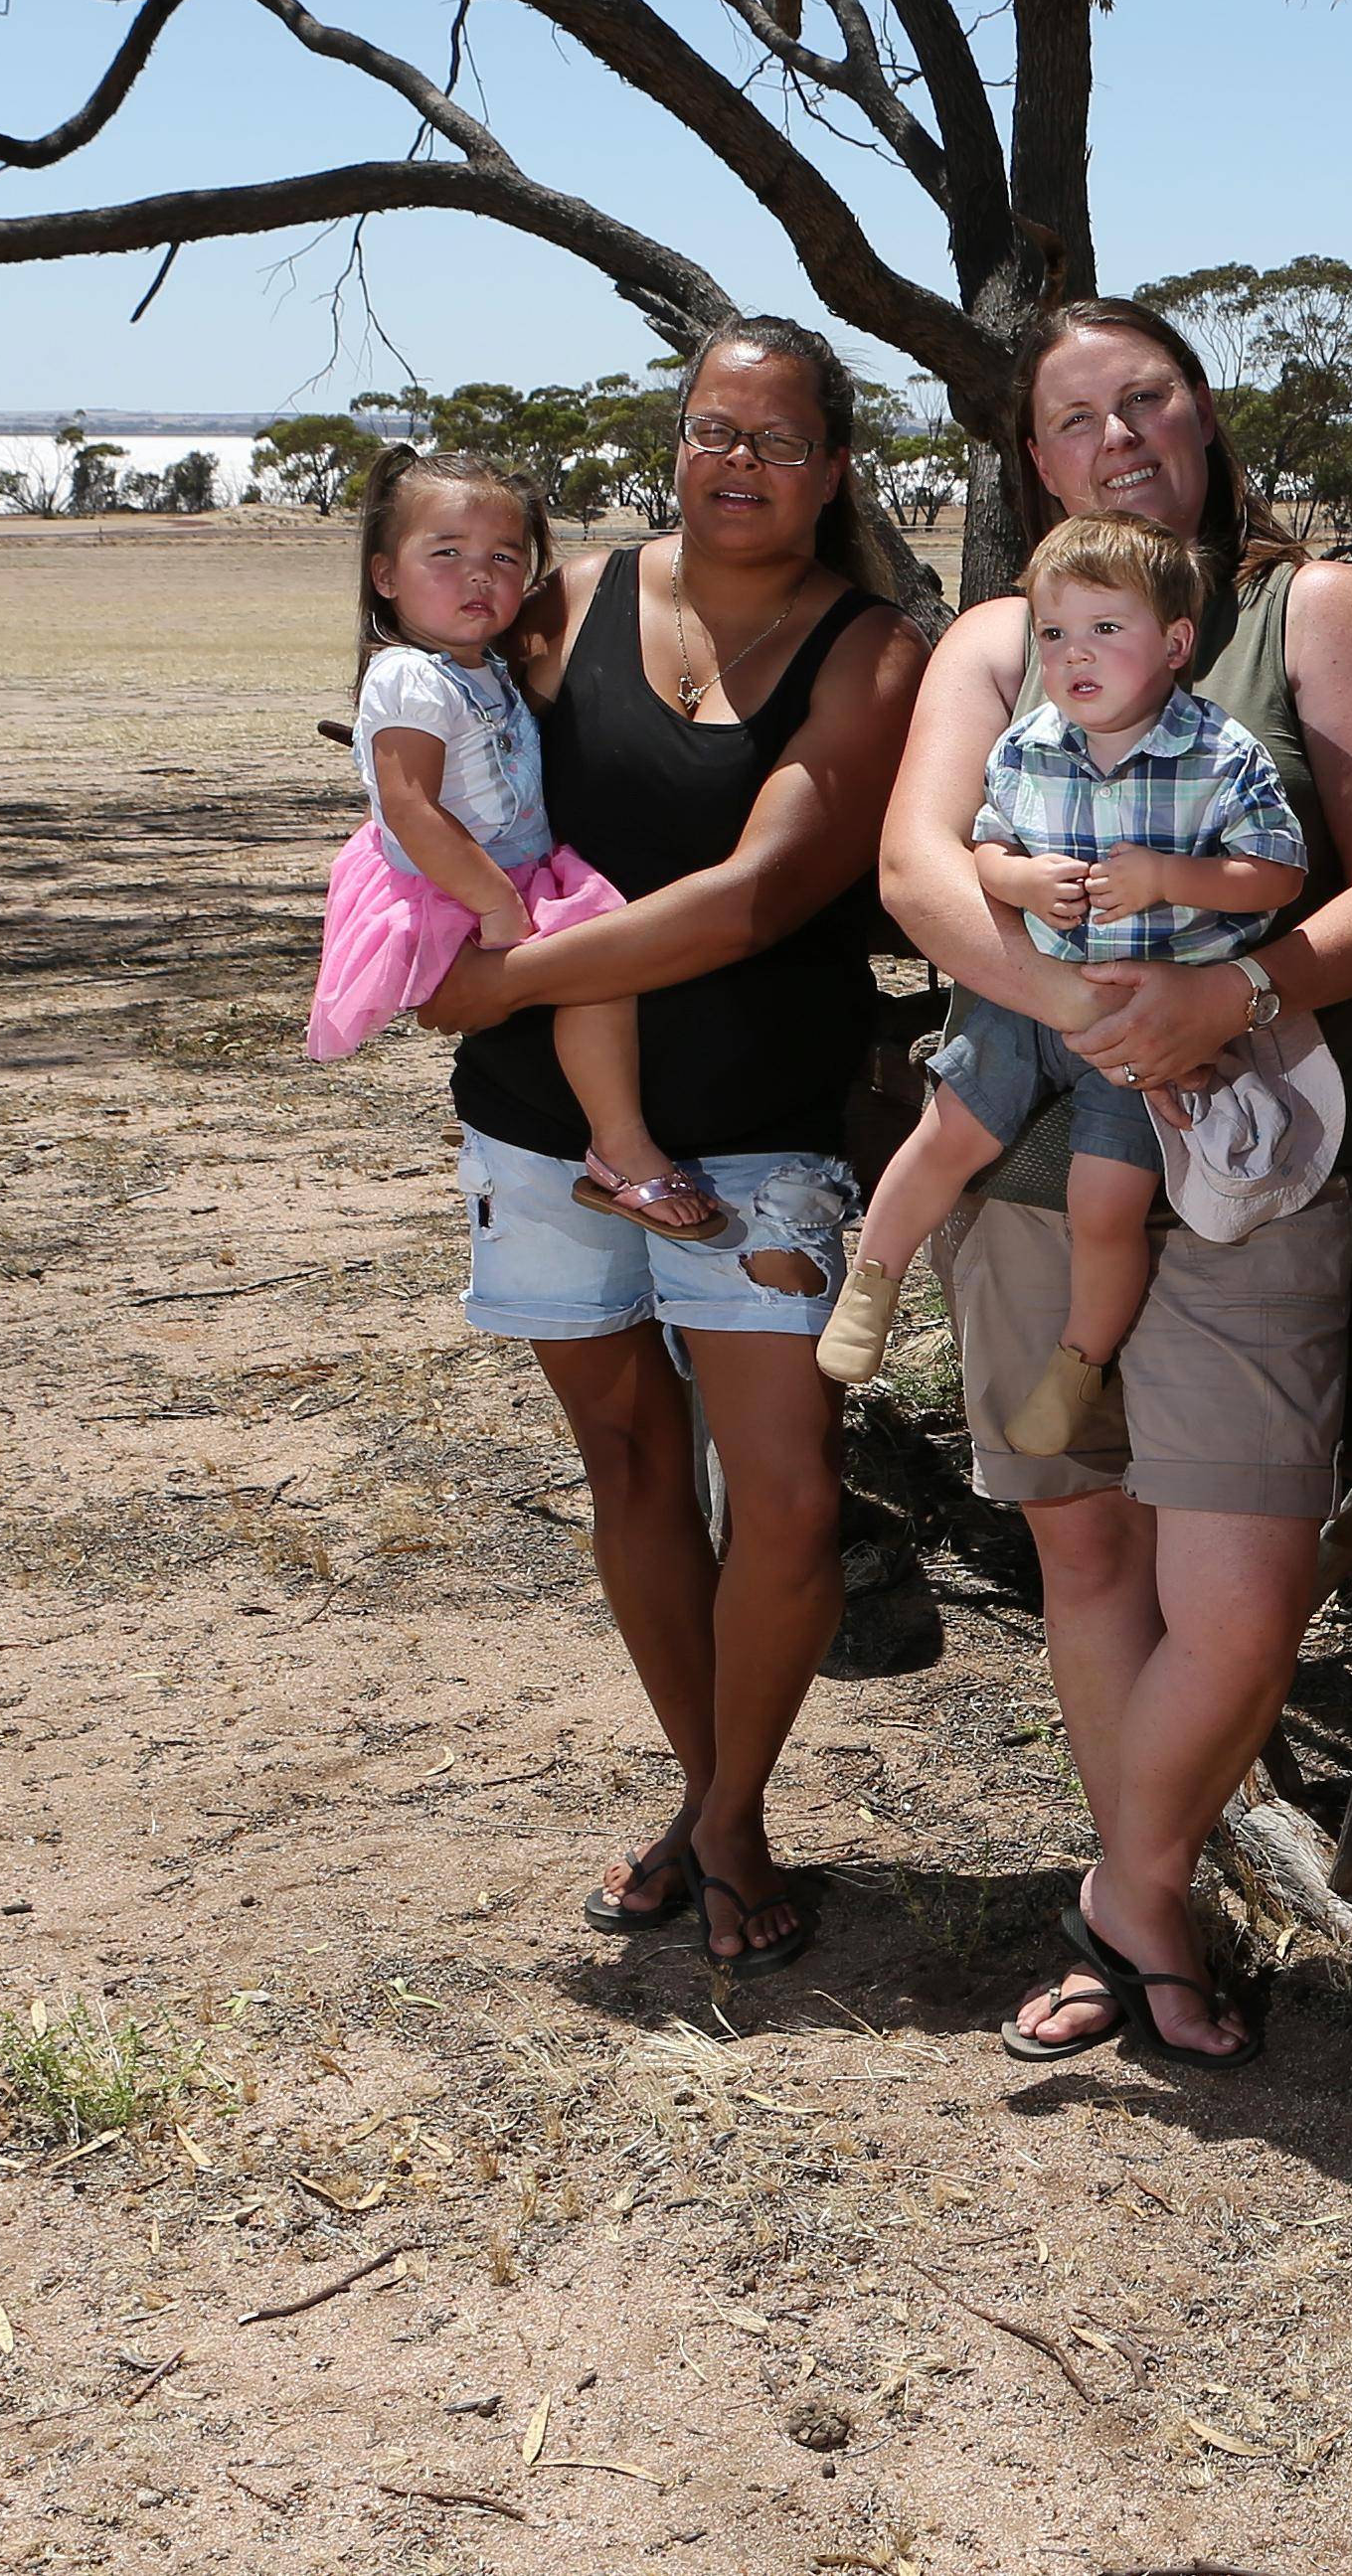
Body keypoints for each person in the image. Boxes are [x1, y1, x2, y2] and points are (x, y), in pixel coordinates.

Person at [875, 298, 1352, 2070]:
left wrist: (1236, 990)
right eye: (1072, 416)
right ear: (1029, 459)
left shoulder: (1307, 613)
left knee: (1247, 1599)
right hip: (1034, 1173)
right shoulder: (994, 640)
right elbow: (917, 870)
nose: (1116, 433)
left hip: (1247, 1176)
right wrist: (1081, 1012)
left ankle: (1117, 1896)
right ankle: (1162, 1933)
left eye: (1148, 395)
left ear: (1201, 415)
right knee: (1089, 1560)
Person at [411, 317, 926, 1974]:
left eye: (774, 443)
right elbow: (445, 769)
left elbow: (766, 895)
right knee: (628, 1459)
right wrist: (426, 932)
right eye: (711, 432)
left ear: (834, 469)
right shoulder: (572, 603)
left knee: (783, 1493)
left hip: (762, 1133)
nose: (737, 467)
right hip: (538, 1124)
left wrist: (496, 977)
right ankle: (725, 1811)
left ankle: (716, 1807)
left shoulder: (870, 652)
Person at [818, 515, 1307, 1456]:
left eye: (1105, 630)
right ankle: (871, 1284)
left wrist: (1174, 877)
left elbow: (1276, 876)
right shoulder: (1031, 742)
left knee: (1105, 1202)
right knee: (946, 1131)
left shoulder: (1222, 754)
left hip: (1148, 1019)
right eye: (1053, 634)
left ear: (1173, 643)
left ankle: (1078, 1366)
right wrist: (1016, 879)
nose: (1074, 654)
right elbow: (987, 845)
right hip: (1026, 990)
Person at [306, 451, 711, 1231]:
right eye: (446, 553)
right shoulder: (409, 678)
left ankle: (603, 1135)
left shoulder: (484, 668)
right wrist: (493, 899)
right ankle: (619, 1144)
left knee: (601, 958)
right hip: (450, 884)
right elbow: (411, 807)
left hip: (508, 869)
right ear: (386, 576)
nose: (477, 576)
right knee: (598, 968)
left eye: (503, 558)